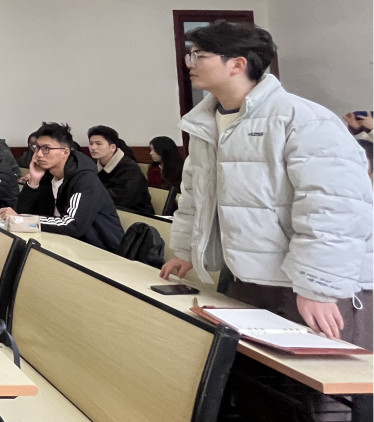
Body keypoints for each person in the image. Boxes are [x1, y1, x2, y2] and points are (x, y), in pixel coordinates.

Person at [159, 21, 374, 349]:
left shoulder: (303, 119)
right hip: (248, 276)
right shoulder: (204, 125)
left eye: (199, 55)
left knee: (319, 378)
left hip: (315, 288)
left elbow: (334, 209)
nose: (190, 63)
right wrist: (188, 251)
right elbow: (195, 196)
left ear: (237, 64)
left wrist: (319, 286)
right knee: (250, 373)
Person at [0, 122, 124, 252]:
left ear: (65, 152)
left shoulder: (85, 179)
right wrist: (33, 181)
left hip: (99, 251)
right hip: (62, 244)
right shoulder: (47, 176)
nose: (39, 154)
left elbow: (72, 225)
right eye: (37, 147)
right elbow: (24, 212)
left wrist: (22, 220)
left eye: (46, 148)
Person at [88, 125, 155, 215]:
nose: (93, 147)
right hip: (106, 211)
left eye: (98, 144)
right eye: (91, 143)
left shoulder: (130, 168)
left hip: (135, 214)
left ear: (112, 147)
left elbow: (121, 198)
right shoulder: (91, 165)